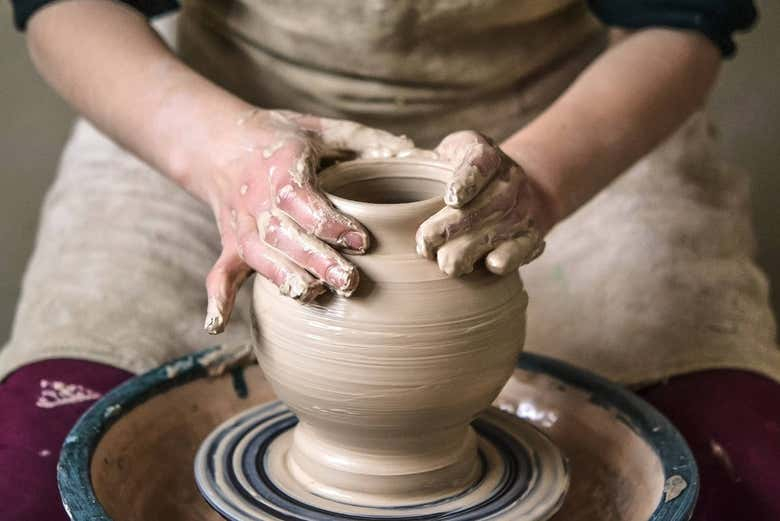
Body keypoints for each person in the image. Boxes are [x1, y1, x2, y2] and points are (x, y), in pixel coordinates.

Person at [1, 0, 778, 519]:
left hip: (569, 125)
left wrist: (537, 183)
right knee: (31, 475)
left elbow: (683, 13)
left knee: (736, 471)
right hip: (213, 122)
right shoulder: (216, 141)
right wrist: (217, 153)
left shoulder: (551, 156)